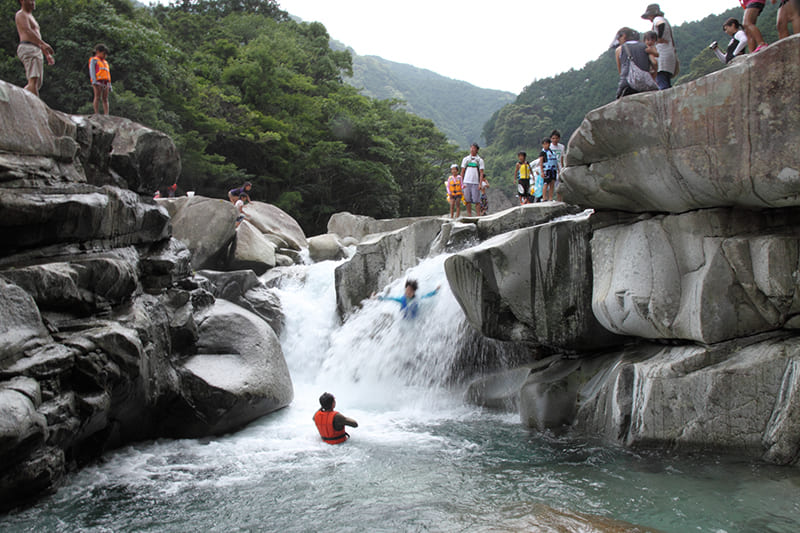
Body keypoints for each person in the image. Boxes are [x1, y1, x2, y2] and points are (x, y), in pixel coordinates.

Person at [15, 0, 55, 97]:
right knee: (33, 79)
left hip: (35, 48)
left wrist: (46, 54)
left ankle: (18, 98)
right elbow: (27, 31)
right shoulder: (21, 14)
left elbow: (36, 36)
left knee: (36, 84)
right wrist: (43, 44)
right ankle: (36, 108)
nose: (33, 2)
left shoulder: (30, 16)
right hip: (28, 47)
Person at [641, 4, 677, 90]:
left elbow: (661, 24)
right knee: (666, 81)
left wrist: (658, 38)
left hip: (662, 55)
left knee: (662, 82)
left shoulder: (658, 19)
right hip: (668, 55)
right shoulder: (664, 19)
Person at [613, 27, 654, 99]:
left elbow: (621, 72)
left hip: (627, 85)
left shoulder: (619, 49)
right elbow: (655, 63)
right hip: (645, 84)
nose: (619, 41)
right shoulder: (645, 46)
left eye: (619, 38)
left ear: (624, 36)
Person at [375, 279, 440, 320]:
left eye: (410, 290)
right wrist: (379, 298)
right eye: (407, 290)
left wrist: (436, 290)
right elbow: (390, 299)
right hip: (404, 321)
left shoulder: (417, 299)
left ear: (414, 291)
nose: (407, 292)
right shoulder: (401, 299)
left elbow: (427, 296)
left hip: (414, 321)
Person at [459, 143, 485, 217]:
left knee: (477, 200)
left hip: (475, 182)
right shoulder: (466, 159)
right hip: (466, 182)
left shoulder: (479, 160)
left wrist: (480, 183)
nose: (472, 150)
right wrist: (461, 183)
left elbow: (481, 172)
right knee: (467, 200)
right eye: (471, 148)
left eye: (474, 148)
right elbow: (462, 171)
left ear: (477, 150)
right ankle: (469, 215)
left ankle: (478, 215)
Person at [88, 44, 111, 115]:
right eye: (104, 54)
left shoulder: (105, 62)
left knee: (105, 98)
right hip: (98, 81)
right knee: (97, 97)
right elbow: (92, 71)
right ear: (98, 52)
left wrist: (110, 85)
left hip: (106, 82)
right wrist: (94, 81)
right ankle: (96, 113)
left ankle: (106, 114)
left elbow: (108, 74)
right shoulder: (94, 60)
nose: (105, 56)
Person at [549, 130, 566, 201]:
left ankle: (559, 200)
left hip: (559, 168)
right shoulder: (549, 147)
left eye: (556, 138)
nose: (555, 140)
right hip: (551, 168)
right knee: (551, 184)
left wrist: (563, 168)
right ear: (551, 139)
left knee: (559, 186)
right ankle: (550, 199)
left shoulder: (561, 147)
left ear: (559, 138)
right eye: (553, 138)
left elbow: (562, 158)